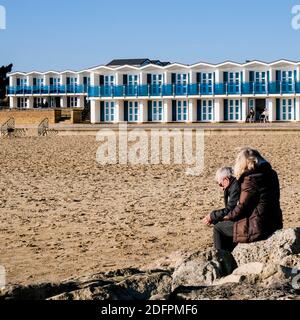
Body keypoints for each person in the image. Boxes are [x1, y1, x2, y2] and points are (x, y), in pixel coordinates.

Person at [212, 148, 283, 252]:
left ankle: (223, 261)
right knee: (231, 225)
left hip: (259, 226)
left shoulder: (250, 179)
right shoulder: (272, 173)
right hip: (275, 221)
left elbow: (241, 208)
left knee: (219, 228)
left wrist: (224, 217)